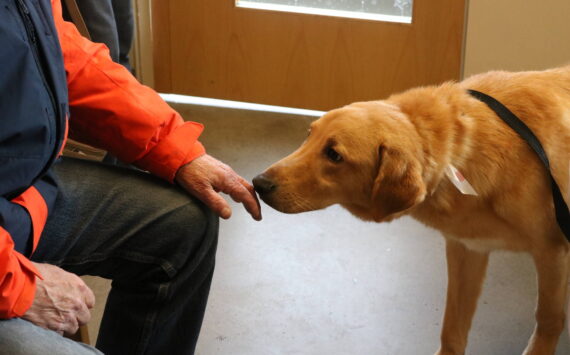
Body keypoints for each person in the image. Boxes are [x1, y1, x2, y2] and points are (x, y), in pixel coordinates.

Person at [0, 0, 262, 354]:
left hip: (21, 196)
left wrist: (175, 150)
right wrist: (18, 288)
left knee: (183, 226)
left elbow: (61, 58)